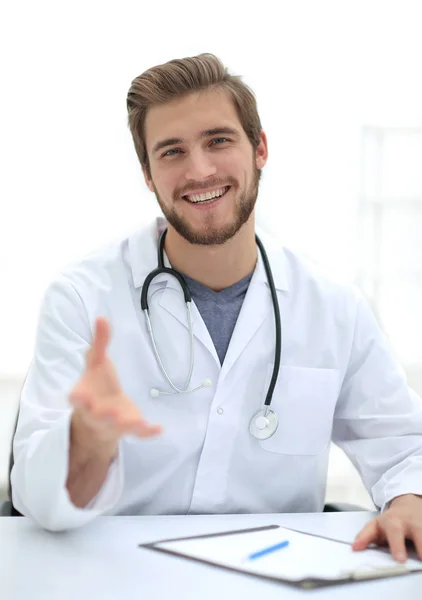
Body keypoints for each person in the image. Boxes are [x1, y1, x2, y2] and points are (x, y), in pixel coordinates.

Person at [11, 53, 422, 562]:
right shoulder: (82, 298)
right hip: (122, 579)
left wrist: (409, 499)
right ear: (147, 173)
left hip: (278, 579)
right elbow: (34, 496)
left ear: (260, 148)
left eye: (218, 141)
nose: (199, 170)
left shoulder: (334, 306)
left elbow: (403, 446)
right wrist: (87, 441)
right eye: (171, 152)